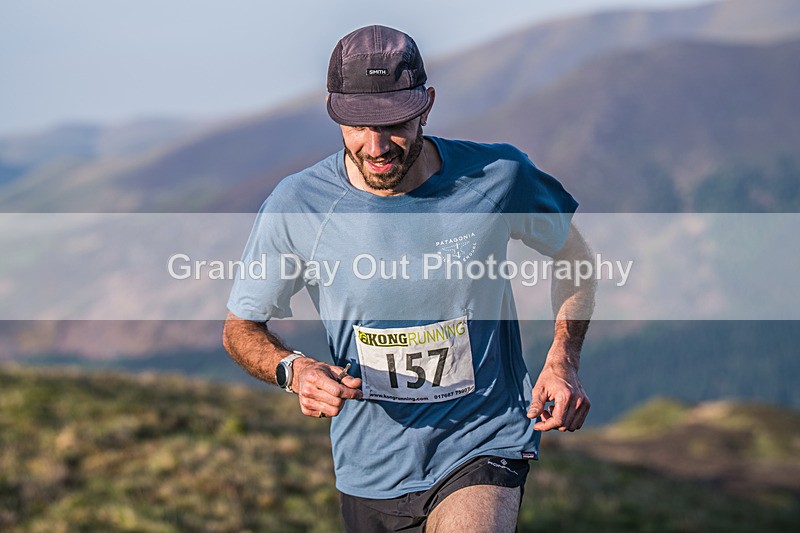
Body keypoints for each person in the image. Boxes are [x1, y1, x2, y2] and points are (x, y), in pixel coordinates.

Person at [223, 25, 595, 533]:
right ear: (334, 113)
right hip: (370, 466)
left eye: (394, 123)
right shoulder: (298, 205)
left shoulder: (499, 177)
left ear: (427, 106)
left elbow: (575, 259)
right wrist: (294, 370)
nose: (376, 146)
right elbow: (240, 328)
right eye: (357, 125)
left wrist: (562, 359)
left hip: (482, 438)